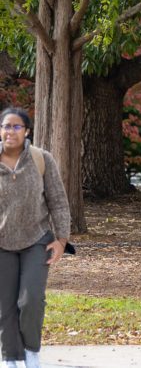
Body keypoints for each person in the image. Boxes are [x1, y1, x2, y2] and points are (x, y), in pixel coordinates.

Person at [0, 107, 70, 368]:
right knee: (5, 304)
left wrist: (62, 240)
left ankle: (30, 351)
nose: (11, 131)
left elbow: (58, 202)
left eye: (17, 126)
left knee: (31, 300)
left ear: (27, 131)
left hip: (37, 240)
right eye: (6, 126)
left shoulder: (42, 159)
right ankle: (11, 357)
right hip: (1, 244)